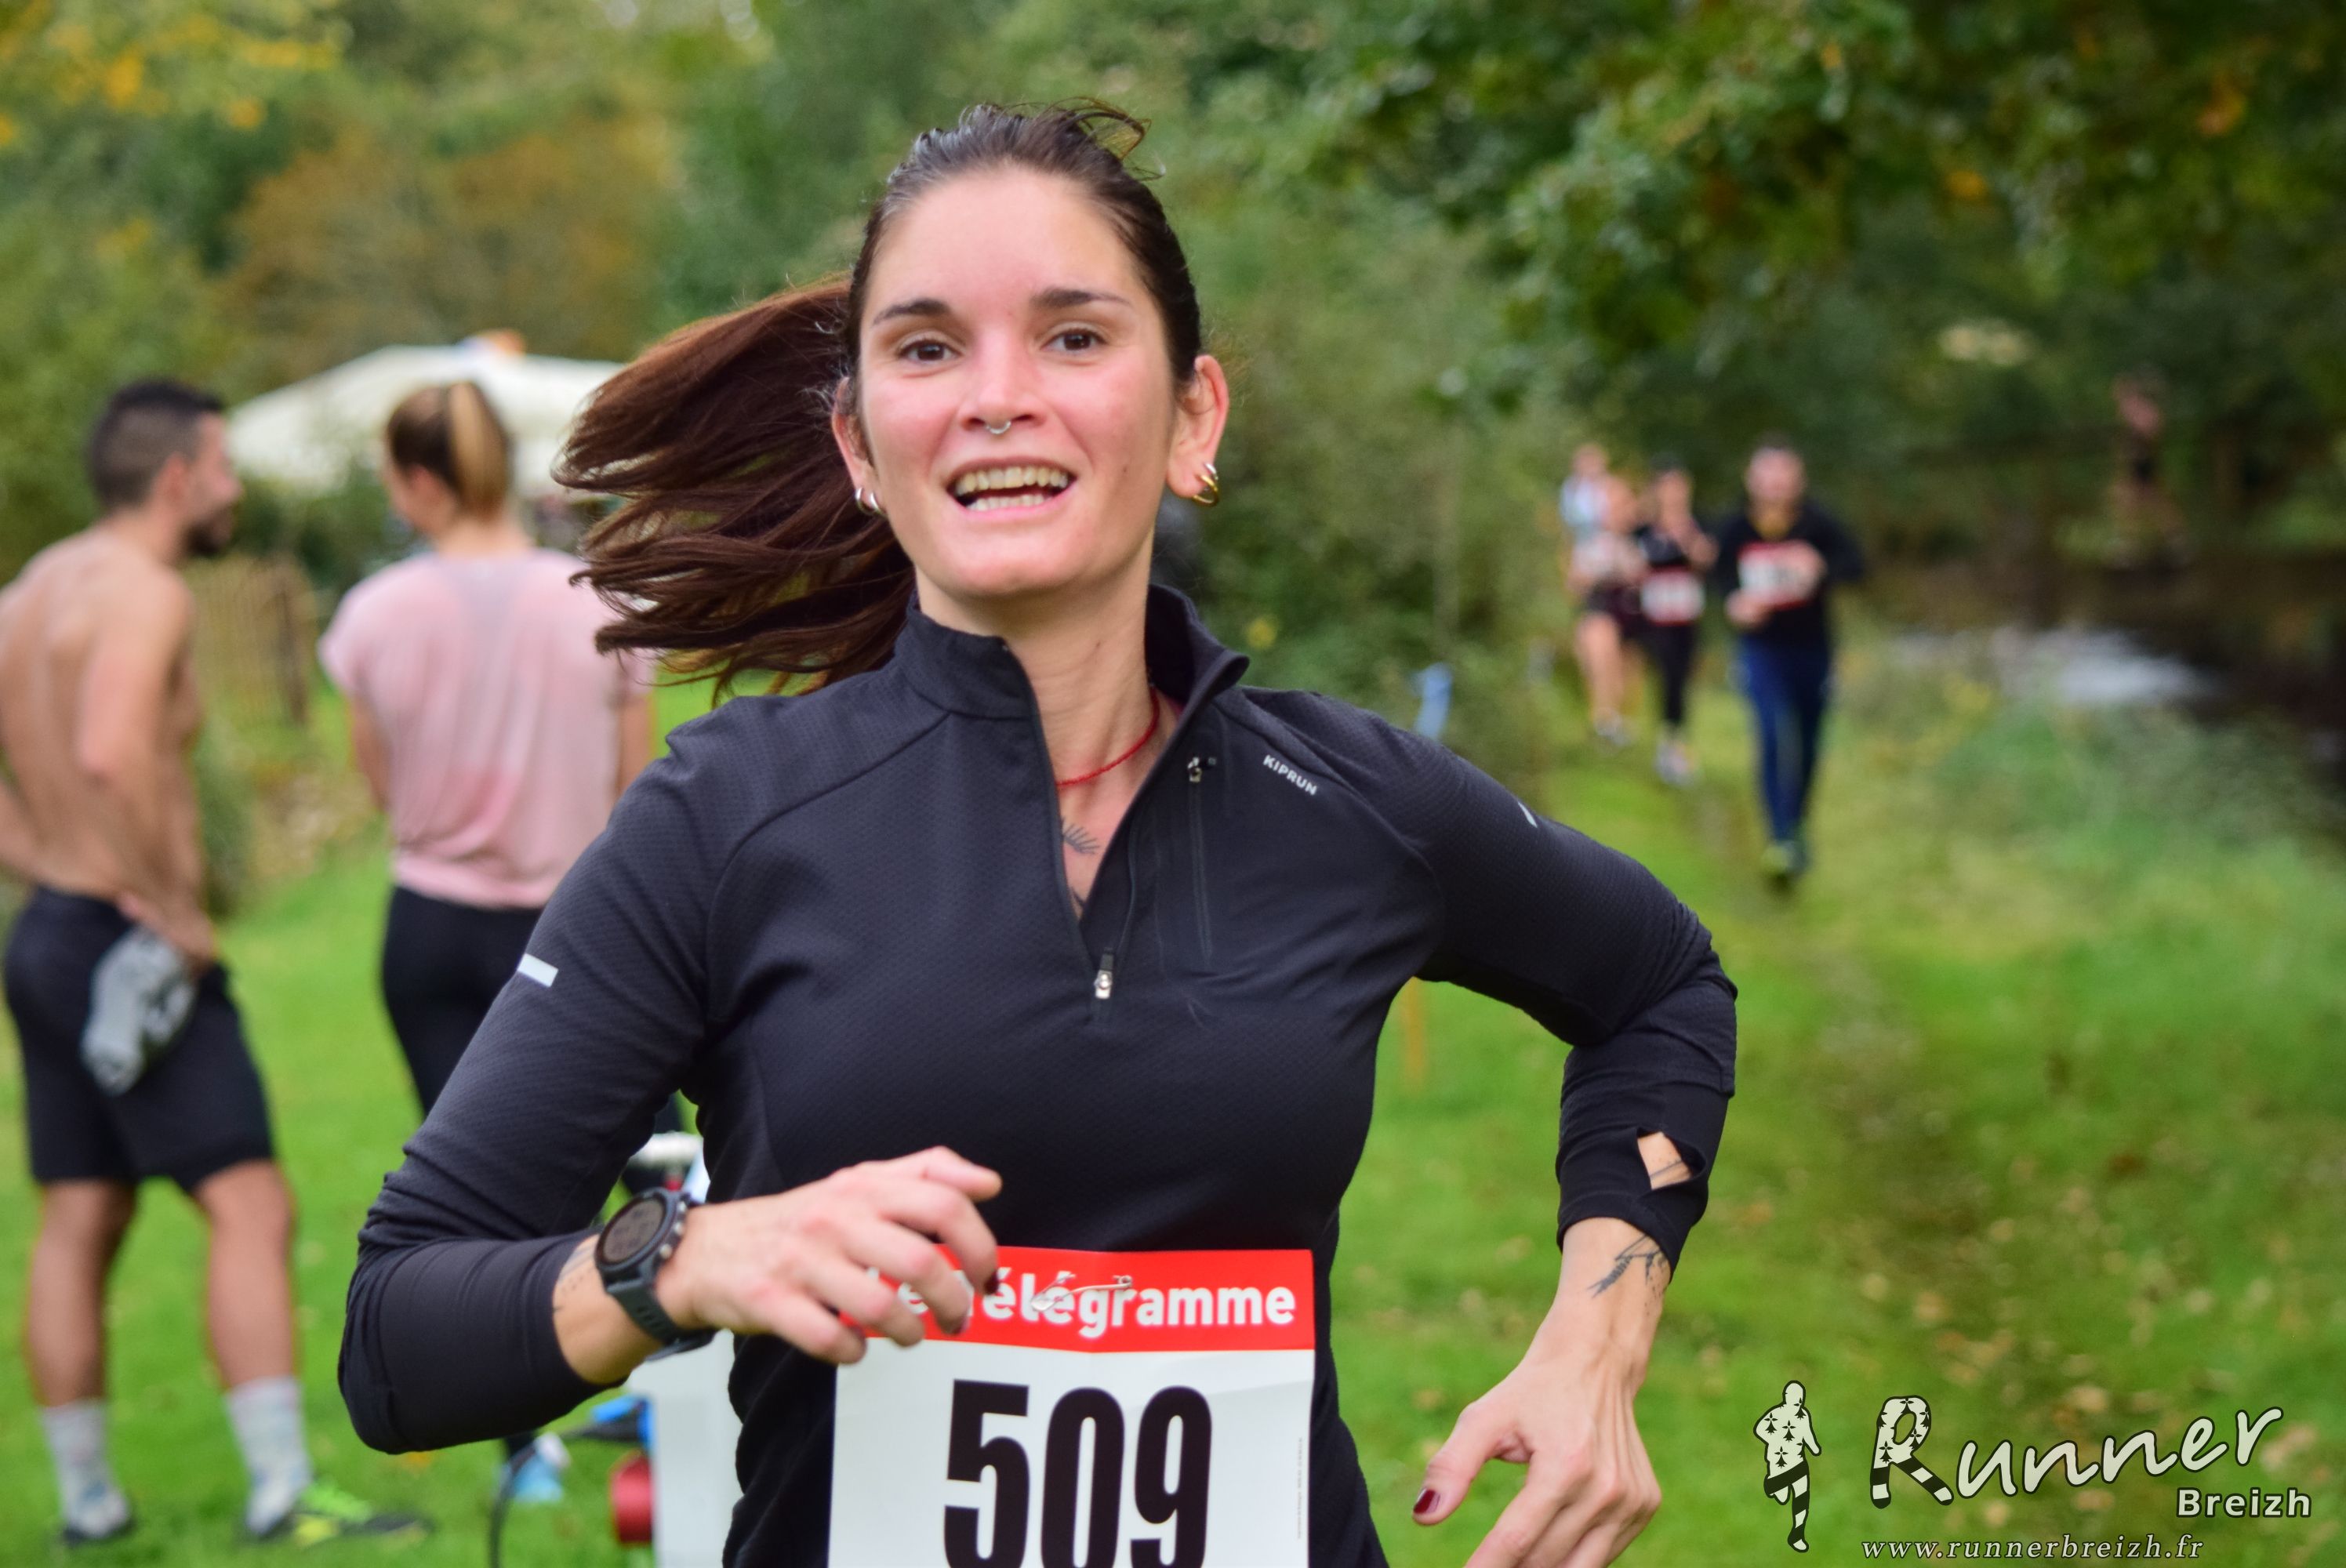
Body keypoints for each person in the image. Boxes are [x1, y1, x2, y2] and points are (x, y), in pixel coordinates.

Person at [340, 104, 1736, 1568]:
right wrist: (684, 1259)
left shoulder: (1350, 804)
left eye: (1074, 337)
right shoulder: (726, 821)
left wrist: (1599, 1336)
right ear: (859, 443)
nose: (998, 397)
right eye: (927, 348)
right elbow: (396, 1338)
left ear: (1193, 417)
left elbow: (1659, 986)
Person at [0, 380, 423, 1546]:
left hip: (49, 934)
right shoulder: (144, 592)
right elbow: (109, 750)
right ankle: (284, 1491)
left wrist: (49, 860)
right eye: (224, 467)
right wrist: (174, 909)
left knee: (80, 1213)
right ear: (178, 476)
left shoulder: (34, 589)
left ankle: (88, 1505)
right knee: (251, 1202)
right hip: (130, 942)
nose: (234, 489)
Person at [316, 379, 657, 1502]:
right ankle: (674, 1397)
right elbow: (636, 793)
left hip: (432, 925)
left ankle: (522, 1454)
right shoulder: (596, 599)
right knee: (657, 1165)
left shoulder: (373, 614)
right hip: (576, 928)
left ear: (418, 482)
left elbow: (379, 780)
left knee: (468, 1209)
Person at [1710, 440, 1866, 882]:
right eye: (1768, 475)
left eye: (1784, 475)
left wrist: (1820, 567)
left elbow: (1856, 565)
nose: (1776, 484)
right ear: (1752, 480)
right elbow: (1719, 576)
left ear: (1798, 480)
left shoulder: (1817, 522)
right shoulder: (1737, 526)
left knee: (1809, 742)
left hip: (1812, 647)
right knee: (1772, 733)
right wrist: (1734, 603)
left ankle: (1797, 825)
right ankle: (1778, 837)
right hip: (1762, 648)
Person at [1633, 459, 1716, 786]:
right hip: (1654, 616)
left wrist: (1687, 538)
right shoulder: (1644, 529)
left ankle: (1675, 743)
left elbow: (1707, 560)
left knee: (1681, 679)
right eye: (1666, 487)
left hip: (1686, 616)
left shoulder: (1697, 524)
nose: (1672, 494)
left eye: (1678, 487)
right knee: (1666, 676)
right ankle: (1666, 744)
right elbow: (1632, 566)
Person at [1566, 473, 1647, 747]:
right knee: (1602, 654)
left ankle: (1615, 724)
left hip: (1632, 617)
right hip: (1600, 611)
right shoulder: (1591, 543)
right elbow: (1576, 582)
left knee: (1627, 676)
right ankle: (1604, 722)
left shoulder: (1638, 543)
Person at [1556, 440, 1610, 545]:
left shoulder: (1609, 484)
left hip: (1605, 537)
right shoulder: (1570, 486)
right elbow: (1566, 514)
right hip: (1579, 538)